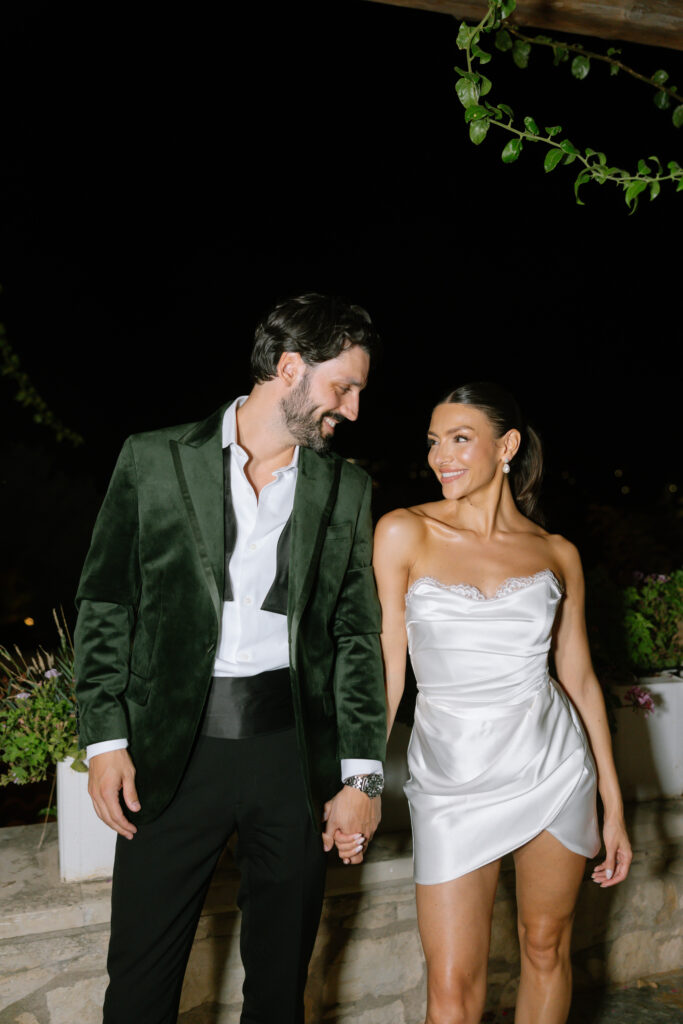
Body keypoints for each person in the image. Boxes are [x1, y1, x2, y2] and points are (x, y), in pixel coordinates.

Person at [74, 293, 387, 1024]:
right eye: (343, 386)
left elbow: (354, 637)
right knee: (141, 983)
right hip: (173, 756)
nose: (352, 409)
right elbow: (106, 602)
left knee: (278, 988)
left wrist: (361, 777)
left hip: (290, 755)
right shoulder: (151, 459)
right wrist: (105, 740)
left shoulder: (345, 488)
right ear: (288, 369)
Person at [360, 382, 632, 1024]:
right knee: (452, 986)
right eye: (433, 441)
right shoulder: (404, 532)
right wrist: (364, 780)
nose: (440, 456)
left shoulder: (556, 552)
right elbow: (388, 674)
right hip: (450, 780)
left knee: (545, 947)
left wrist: (613, 805)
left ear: (506, 446)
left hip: (553, 766)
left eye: (460, 439)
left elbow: (581, 679)